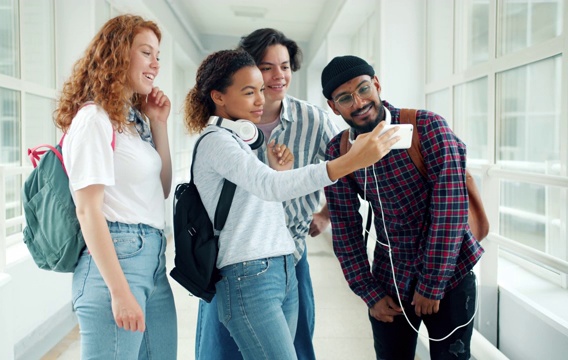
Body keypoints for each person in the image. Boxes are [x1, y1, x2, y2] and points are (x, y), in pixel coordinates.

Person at [184, 49, 398, 360]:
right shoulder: (217, 141)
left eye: (260, 90)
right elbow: (269, 187)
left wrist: (278, 172)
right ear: (218, 96)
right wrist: (348, 162)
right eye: (249, 92)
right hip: (248, 276)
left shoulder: (241, 142)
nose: (260, 100)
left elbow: (261, 201)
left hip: (282, 268)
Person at [321, 55, 484, 360]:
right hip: (389, 277)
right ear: (333, 106)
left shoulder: (427, 126)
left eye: (364, 89)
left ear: (377, 84)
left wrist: (432, 283)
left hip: (450, 273)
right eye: (345, 98)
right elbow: (344, 227)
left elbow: (451, 209)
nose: (358, 103)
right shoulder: (339, 150)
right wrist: (369, 294)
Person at [195, 28, 338, 360]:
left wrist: (325, 213)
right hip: (232, 260)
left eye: (285, 66)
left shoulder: (312, 119)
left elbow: (345, 164)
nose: (279, 76)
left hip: (292, 254)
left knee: (295, 348)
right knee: (221, 350)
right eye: (267, 67)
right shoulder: (224, 128)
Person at [54, 15, 177, 359]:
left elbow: (162, 187)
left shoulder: (131, 124)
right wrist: (120, 292)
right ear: (118, 54)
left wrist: (158, 124)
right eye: (146, 52)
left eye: (157, 55)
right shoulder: (93, 120)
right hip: (118, 261)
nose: (155, 63)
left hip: (151, 258)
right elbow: (87, 209)